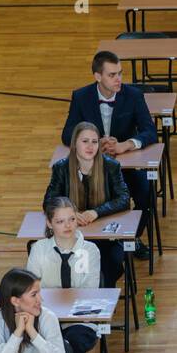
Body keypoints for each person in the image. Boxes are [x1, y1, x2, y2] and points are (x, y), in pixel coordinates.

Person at [60, 51, 156, 259]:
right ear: (98, 76)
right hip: (90, 170)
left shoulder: (133, 96)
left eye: (120, 73)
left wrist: (126, 145)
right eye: (112, 75)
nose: (118, 79)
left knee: (145, 192)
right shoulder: (81, 96)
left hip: (123, 167)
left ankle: (132, 238)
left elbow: (150, 130)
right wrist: (91, 142)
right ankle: (93, 241)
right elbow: (67, 134)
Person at [45, 121, 131, 287]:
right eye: (85, 141)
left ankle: (99, 303)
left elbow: (124, 198)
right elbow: (49, 200)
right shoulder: (61, 168)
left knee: (110, 263)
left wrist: (96, 212)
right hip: (71, 237)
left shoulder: (111, 166)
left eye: (94, 141)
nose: (90, 146)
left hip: (105, 241)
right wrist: (69, 214)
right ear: (74, 144)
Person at [26, 195, 102, 353]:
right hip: (44, 318)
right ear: (49, 223)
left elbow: (89, 292)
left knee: (73, 343)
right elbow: (31, 290)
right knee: (38, 344)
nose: (68, 226)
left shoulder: (90, 250)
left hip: (80, 321)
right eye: (60, 221)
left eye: (72, 219)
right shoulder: (38, 249)